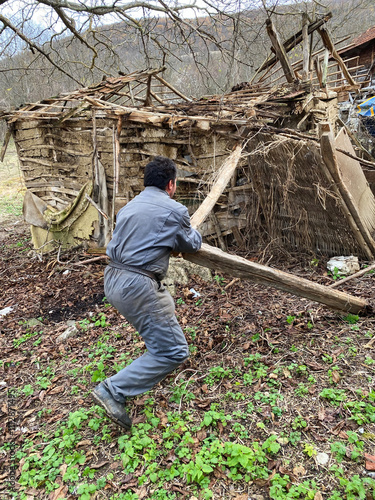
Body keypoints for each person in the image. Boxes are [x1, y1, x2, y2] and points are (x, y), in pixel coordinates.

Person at [92, 156, 202, 430]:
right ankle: (113, 390)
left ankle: (133, 374)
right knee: (173, 351)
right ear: (171, 184)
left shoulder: (129, 207)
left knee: (164, 308)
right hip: (137, 285)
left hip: (113, 278)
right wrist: (193, 232)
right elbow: (191, 244)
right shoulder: (175, 210)